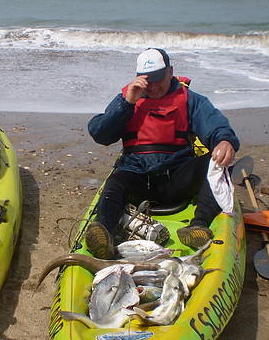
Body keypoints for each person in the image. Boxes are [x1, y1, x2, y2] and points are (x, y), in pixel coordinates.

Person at [85, 47, 239, 259]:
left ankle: (198, 225)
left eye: (158, 78)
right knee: (115, 182)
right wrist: (127, 104)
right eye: (148, 80)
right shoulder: (127, 98)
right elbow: (100, 134)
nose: (154, 86)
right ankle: (104, 234)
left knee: (218, 163)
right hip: (136, 176)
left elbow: (215, 126)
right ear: (138, 78)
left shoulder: (190, 99)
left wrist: (224, 141)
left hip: (176, 178)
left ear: (170, 71)